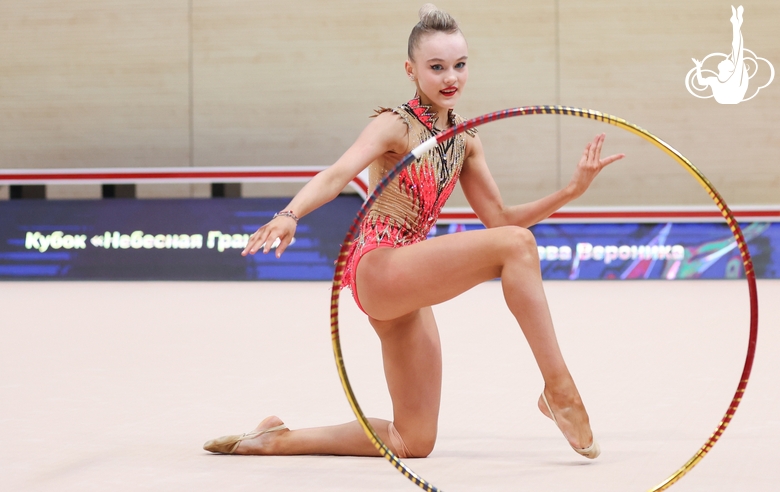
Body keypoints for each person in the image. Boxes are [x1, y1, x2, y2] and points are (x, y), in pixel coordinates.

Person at [204, 4, 624, 460]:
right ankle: (558, 389)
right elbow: (339, 172)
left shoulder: (466, 140)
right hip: (378, 266)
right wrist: (290, 213)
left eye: (460, 65)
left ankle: (276, 439)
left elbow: (500, 219)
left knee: (413, 441)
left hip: (409, 283)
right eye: (437, 67)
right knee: (518, 246)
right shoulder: (395, 124)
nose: (452, 78)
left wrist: (570, 190)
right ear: (411, 69)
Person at [692, 5, 748, 104]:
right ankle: (736, 23)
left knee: (737, 50)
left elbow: (701, 82)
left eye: (727, 61)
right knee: (737, 52)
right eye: (728, 61)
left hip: (731, 97)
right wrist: (698, 67)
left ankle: (736, 23)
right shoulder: (720, 79)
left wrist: (698, 67)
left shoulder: (721, 79)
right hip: (731, 97)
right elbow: (701, 82)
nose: (724, 59)